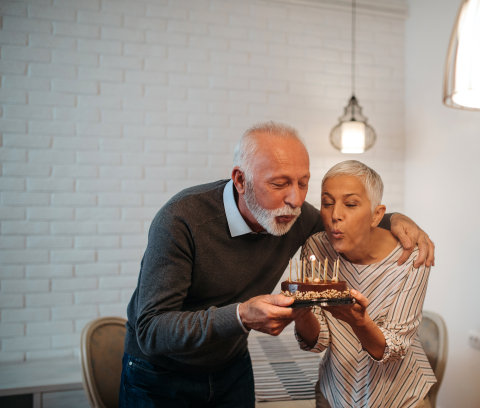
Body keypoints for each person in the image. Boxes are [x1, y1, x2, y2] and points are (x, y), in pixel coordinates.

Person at [119, 122, 435, 407]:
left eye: (303, 183)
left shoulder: (296, 217)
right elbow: (151, 330)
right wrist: (241, 315)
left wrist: (397, 218)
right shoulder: (181, 219)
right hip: (160, 376)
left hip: (231, 367)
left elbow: (350, 222)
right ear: (240, 180)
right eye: (279, 184)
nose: (296, 200)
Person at [293, 160, 435, 408]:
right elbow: (320, 341)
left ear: (377, 215)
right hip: (335, 392)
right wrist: (301, 313)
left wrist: (358, 321)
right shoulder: (316, 247)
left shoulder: (411, 257)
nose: (335, 215)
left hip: (401, 397)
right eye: (327, 203)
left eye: (350, 204)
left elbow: (395, 349)